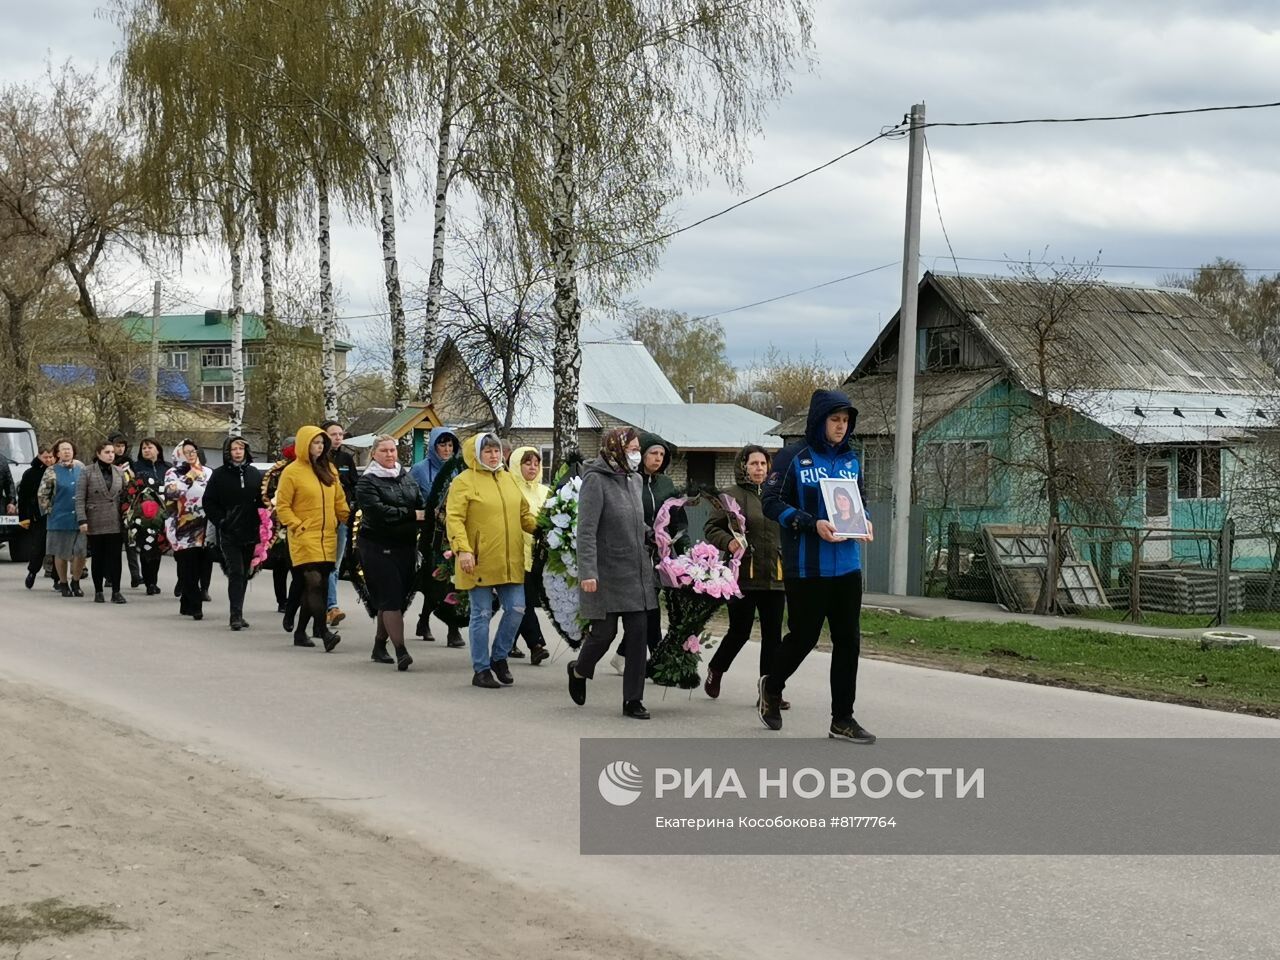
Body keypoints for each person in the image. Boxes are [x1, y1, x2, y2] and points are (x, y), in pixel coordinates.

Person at [759, 389, 876, 744]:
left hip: (847, 568)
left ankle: (842, 718)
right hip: (807, 568)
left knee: (848, 641)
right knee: (804, 638)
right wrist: (811, 523)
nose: (841, 427)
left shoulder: (852, 461)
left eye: (846, 421)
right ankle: (772, 686)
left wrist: (865, 521)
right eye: (835, 420)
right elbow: (770, 502)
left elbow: (860, 502)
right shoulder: (793, 458)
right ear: (819, 420)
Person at [566, 428, 658, 720]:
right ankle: (579, 670)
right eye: (631, 447)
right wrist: (588, 572)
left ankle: (633, 699)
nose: (636, 453)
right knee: (604, 635)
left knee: (638, 635)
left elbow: (633, 520)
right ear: (615, 448)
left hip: (636, 572)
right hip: (605, 572)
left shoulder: (635, 479)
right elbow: (587, 532)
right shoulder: (595, 481)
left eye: (636, 448)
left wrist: (651, 534)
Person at [444, 433, 537, 688]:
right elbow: (454, 518)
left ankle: (499, 656)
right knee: (482, 614)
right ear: (476, 454)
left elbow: (524, 515)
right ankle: (481, 669)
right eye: (488, 451)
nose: (494, 455)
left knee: (517, 609)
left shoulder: (508, 479)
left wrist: (547, 527)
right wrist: (463, 550)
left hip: (510, 559)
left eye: (496, 451)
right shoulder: (464, 481)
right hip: (478, 558)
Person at [702, 445, 787, 706]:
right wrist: (728, 542)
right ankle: (716, 669)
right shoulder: (730, 496)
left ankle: (768, 692)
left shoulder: (780, 494)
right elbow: (710, 528)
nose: (759, 468)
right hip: (743, 576)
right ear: (743, 467)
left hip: (775, 576)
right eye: (754, 464)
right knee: (740, 631)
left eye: (763, 464)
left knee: (773, 636)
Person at [275, 424, 350, 651]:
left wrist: (349, 519)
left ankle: (300, 632)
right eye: (315, 443)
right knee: (314, 582)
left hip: (328, 536)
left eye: (321, 443)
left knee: (317, 587)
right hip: (304, 536)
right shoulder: (292, 472)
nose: (319, 447)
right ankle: (325, 633)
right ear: (304, 445)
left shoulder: (329, 469)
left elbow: (339, 500)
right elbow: (283, 506)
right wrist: (297, 525)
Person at [355, 435, 426, 671]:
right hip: (376, 546)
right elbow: (377, 512)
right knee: (391, 596)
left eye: (392, 450)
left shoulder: (405, 477)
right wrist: (410, 515)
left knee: (393, 598)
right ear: (374, 453)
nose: (389, 455)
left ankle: (378, 645)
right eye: (384, 450)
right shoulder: (367, 481)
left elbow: (420, 503)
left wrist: (426, 513)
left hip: (404, 546)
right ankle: (401, 651)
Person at [609, 430, 678, 673]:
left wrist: (681, 544)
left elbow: (677, 518)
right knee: (649, 609)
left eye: (661, 454)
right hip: (634, 552)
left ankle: (622, 654)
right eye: (652, 453)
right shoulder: (629, 480)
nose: (657, 458)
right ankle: (659, 660)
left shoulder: (667, 485)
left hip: (661, 555)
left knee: (648, 608)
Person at [203, 436, 265, 631]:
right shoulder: (219, 475)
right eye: (234, 449)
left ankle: (239, 611)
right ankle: (234, 615)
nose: (238, 452)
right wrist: (221, 520)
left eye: (241, 448)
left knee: (245, 572)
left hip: (250, 530)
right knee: (236, 571)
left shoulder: (254, 473)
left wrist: (265, 519)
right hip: (229, 532)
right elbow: (209, 502)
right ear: (227, 452)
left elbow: (262, 500)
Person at [410, 426, 459, 640]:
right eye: (442, 445)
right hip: (430, 535)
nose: (447, 450)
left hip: (454, 533)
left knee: (454, 581)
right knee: (435, 580)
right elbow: (409, 495)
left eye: (450, 445)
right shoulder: (420, 470)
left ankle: (452, 628)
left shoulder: (458, 470)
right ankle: (426, 621)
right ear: (433, 446)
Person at [509, 446, 551, 665]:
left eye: (536, 463)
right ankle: (536, 645)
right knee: (522, 602)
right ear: (517, 465)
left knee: (520, 604)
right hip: (515, 555)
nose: (533, 467)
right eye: (527, 463)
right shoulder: (509, 489)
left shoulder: (546, 492)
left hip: (539, 557)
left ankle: (507, 642)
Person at [165, 440, 213, 620]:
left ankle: (186, 601)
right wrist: (189, 476)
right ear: (179, 454)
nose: (191, 455)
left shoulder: (208, 472)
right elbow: (171, 493)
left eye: (193, 451)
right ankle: (195, 605)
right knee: (188, 565)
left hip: (206, 524)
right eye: (186, 452)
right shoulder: (173, 473)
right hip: (184, 525)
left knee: (201, 565)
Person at [76, 440, 128, 604]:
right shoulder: (87, 471)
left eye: (112, 452)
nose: (111, 455)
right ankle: (98, 591)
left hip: (115, 520)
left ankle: (116, 591)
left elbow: (125, 496)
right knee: (98, 557)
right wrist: (82, 519)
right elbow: (79, 498)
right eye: (107, 452)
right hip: (95, 518)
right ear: (98, 454)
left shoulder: (119, 472)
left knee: (115, 558)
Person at [38, 440, 87, 597]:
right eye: (63, 450)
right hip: (59, 517)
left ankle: (76, 581)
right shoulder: (51, 471)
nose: (67, 452)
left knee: (80, 552)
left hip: (81, 517)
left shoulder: (82, 469)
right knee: (61, 552)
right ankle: (63, 582)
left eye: (69, 449)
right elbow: (42, 494)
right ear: (57, 453)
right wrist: (50, 511)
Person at [322, 420, 358, 628]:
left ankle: (331, 606)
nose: (337, 438)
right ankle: (322, 605)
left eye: (340, 434)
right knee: (320, 566)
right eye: (333, 434)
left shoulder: (346, 458)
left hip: (342, 518)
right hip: (321, 519)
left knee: (334, 565)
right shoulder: (318, 458)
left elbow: (354, 484)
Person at [127, 438, 169, 595]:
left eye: (150, 447)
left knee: (157, 548)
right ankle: (149, 582)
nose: (146, 450)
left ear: (158, 450)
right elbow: (130, 490)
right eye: (144, 448)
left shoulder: (167, 468)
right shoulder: (136, 468)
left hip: (163, 514)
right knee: (146, 548)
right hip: (143, 515)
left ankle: (154, 580)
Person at [109, 431, 143, 588]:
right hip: (110, 507)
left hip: (128, 506)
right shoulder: (105, 462)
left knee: (131, 543)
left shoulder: (129, 462)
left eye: (122, 446)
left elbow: (135, 482)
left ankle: (136, 575)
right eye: (117, 446)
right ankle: (109, 576)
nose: (120, 449)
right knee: (113, 546)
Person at [19, 446, 54, 590]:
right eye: (45, 457)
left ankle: (57, 578)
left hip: (56, 514)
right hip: (37, 515)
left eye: (51, 457)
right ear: (39, 456)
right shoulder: (30, 473)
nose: (48, 460)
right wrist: (24, 518)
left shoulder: (57, 471)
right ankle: (32, 571)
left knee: (56, 547)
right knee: (38, 546)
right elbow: (23, 497)